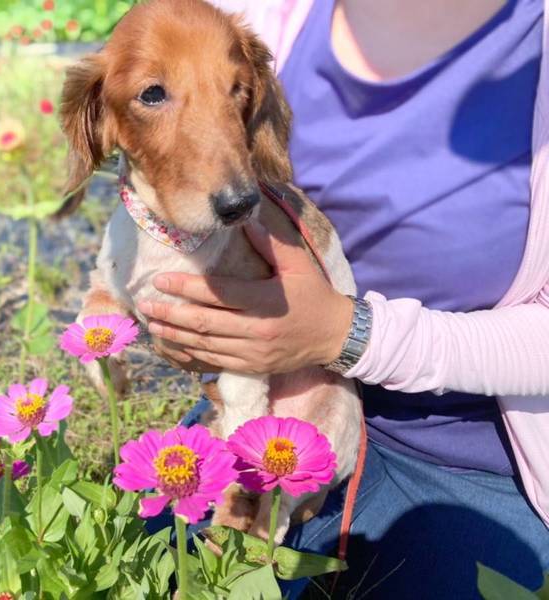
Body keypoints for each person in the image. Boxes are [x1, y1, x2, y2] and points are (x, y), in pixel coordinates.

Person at [137, 0, 549, 597]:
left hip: (465, 455)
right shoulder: (246, 19)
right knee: (143, 571)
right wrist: (184, 318)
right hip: (269, 404)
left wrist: (344, 335)